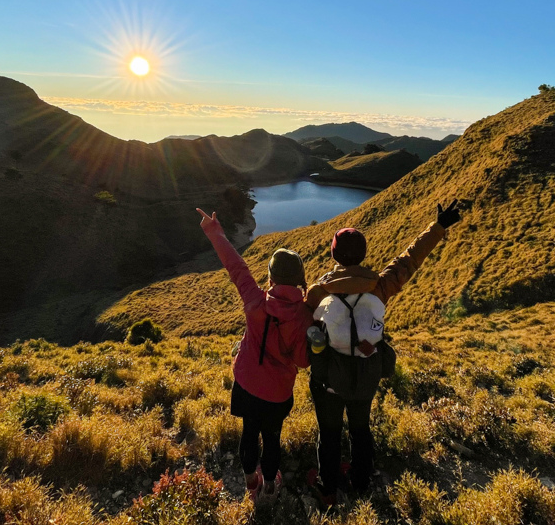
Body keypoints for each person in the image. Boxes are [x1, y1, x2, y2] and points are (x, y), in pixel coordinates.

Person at [305, 200, 462, 505]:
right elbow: (409, 259)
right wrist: (438, 226)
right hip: (367, 372)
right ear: (363, 254)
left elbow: (303, 318)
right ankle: (362, 482)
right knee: (361, 429)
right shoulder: (380, 286)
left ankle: (327, 489)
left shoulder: (319, 291)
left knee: (330, 433)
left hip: (330, 379)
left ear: (334, 255)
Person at [196, 208, 313, 501]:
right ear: (299, 279)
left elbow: (236, 268)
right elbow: (302, 361)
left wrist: (214, 230)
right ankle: (271, 487)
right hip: (278, 394)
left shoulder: (255, 299)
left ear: (271, 277)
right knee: (272, 438)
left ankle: (251, 483)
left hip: (247, 386)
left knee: (249, 433)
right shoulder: (304, 315)